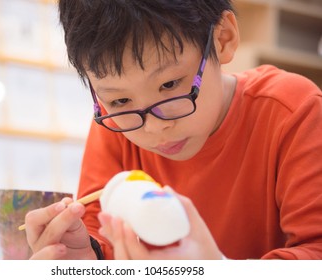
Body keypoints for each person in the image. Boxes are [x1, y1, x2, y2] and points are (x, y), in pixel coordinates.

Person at [24, 0, 322, 260]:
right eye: (119, 99)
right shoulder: (120, 122)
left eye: (169, 85)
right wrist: (88, 256)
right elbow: (96, 229)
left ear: (222, 38)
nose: (154, 127)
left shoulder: (293, 112)